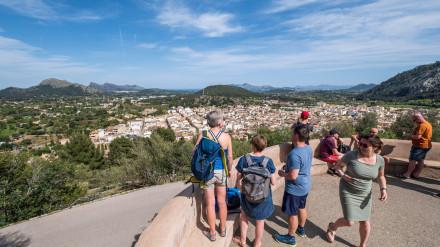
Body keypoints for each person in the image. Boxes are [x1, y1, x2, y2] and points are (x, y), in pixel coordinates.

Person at [326, 134, 387, 247]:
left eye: (365, 145)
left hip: (365, 193)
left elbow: (381, 176)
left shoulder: (380, 160)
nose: (361, 147)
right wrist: (344, 176)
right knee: (350, 221)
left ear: (374, 147)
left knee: (365, 221)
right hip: (348, 189)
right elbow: (338, 167)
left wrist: (383, 190)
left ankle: (362, 245)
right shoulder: (352, 155)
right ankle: (332, 227)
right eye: (360, 144)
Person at [193, 110, 233, 241]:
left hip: (207, 173)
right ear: (220, 122)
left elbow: (195, 153)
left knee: (210, 203)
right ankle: (222, 229)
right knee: (222, 202)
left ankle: (212, 232)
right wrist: (230, 170)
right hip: (221, 172)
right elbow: (230, 157)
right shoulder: (226, 137)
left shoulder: (203, 134)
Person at [233, 135, 276, 247]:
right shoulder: (268, 161)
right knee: (260, 220)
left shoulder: (244, 159)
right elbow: (274, 181)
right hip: (263, 196)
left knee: (244, 215)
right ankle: (257, 243)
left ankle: (243, 241)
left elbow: (238, 176)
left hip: (247, 194)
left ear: (253, 145)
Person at [274, 125, 313, 246]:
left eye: (292, 134)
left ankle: (290, 238)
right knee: (301, 207)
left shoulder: (294, 154)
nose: (291, 135)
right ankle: (301, 229)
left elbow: (293, 176)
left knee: (292, 213)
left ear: (296, 136)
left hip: (295, 188)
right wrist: (290, 168)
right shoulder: (308, 149)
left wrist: (282, 173)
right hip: (305, 184)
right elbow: (302, 166)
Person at [396, 114, 432, 179]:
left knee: (412, 160)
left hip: (419, 146)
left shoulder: (421, 126)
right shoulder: (428, 124)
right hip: (426, 145)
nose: (414, 122)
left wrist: (409, 135)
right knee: (421, 160)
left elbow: (418, 137)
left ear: (418, 119)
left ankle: (407, 174)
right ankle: (416, 174)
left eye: (414, 120)